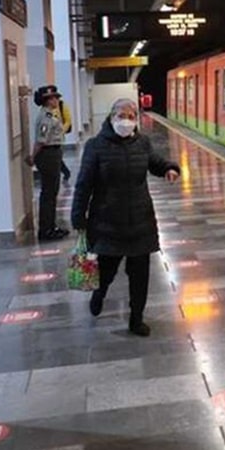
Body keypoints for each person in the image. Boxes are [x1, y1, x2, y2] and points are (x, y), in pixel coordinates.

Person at [72, 98, 179, 337]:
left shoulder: (142, 142)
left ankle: (136, 318)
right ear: (111, 118)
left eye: (131, 116)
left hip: (141, 220)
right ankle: (99, 294)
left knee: (140, 275)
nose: (126, 121)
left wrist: (170, 168)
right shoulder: (95, 146)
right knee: (107, 270)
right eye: (121, 116)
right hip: (108, 221)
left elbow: (155, 163)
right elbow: (84, 184)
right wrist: (78, 216)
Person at [29, 85, 68, 241]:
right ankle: (46, 230)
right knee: (49, 194)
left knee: (52, 193)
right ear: (47, 100)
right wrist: (33, 157)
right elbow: (41, 140)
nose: (57, 100)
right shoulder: (46, 117)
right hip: (48, 154)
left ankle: (51, 226)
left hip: (52, 153)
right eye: (54, 98)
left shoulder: (51, 115)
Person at [58, 94, 73, 184]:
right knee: (58, 157)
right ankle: (66, 172)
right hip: (51, 137)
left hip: (59, 136)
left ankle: (66, 172)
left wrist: (62, 131)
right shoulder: (46, 109)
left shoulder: (62, 106)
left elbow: (68, 121)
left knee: (58, 156)